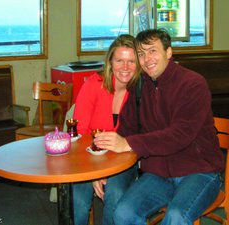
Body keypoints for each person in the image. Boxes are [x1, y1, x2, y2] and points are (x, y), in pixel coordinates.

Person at [94, 29, 225, 225]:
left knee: (176, 215)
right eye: (141, 53)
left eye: (153, 51)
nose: (147, 59)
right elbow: (125, 131)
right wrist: (102, 171)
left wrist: (129, 143)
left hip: (199, 170)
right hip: (158, 172)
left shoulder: (193, 84)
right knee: (123, 212)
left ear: (169, 52)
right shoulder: (139, 87)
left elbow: (180, 134)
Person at [72, 34, 141, 225]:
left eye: (131, 61)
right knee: (77, 199)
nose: (125, 68)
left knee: (115, 192)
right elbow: (80, 131)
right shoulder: (94, 85)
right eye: (120, 60)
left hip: (124, 159)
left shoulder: (141, 91)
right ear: (110, 61)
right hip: (88, 156)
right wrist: (97, 171)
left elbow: (141, 136)